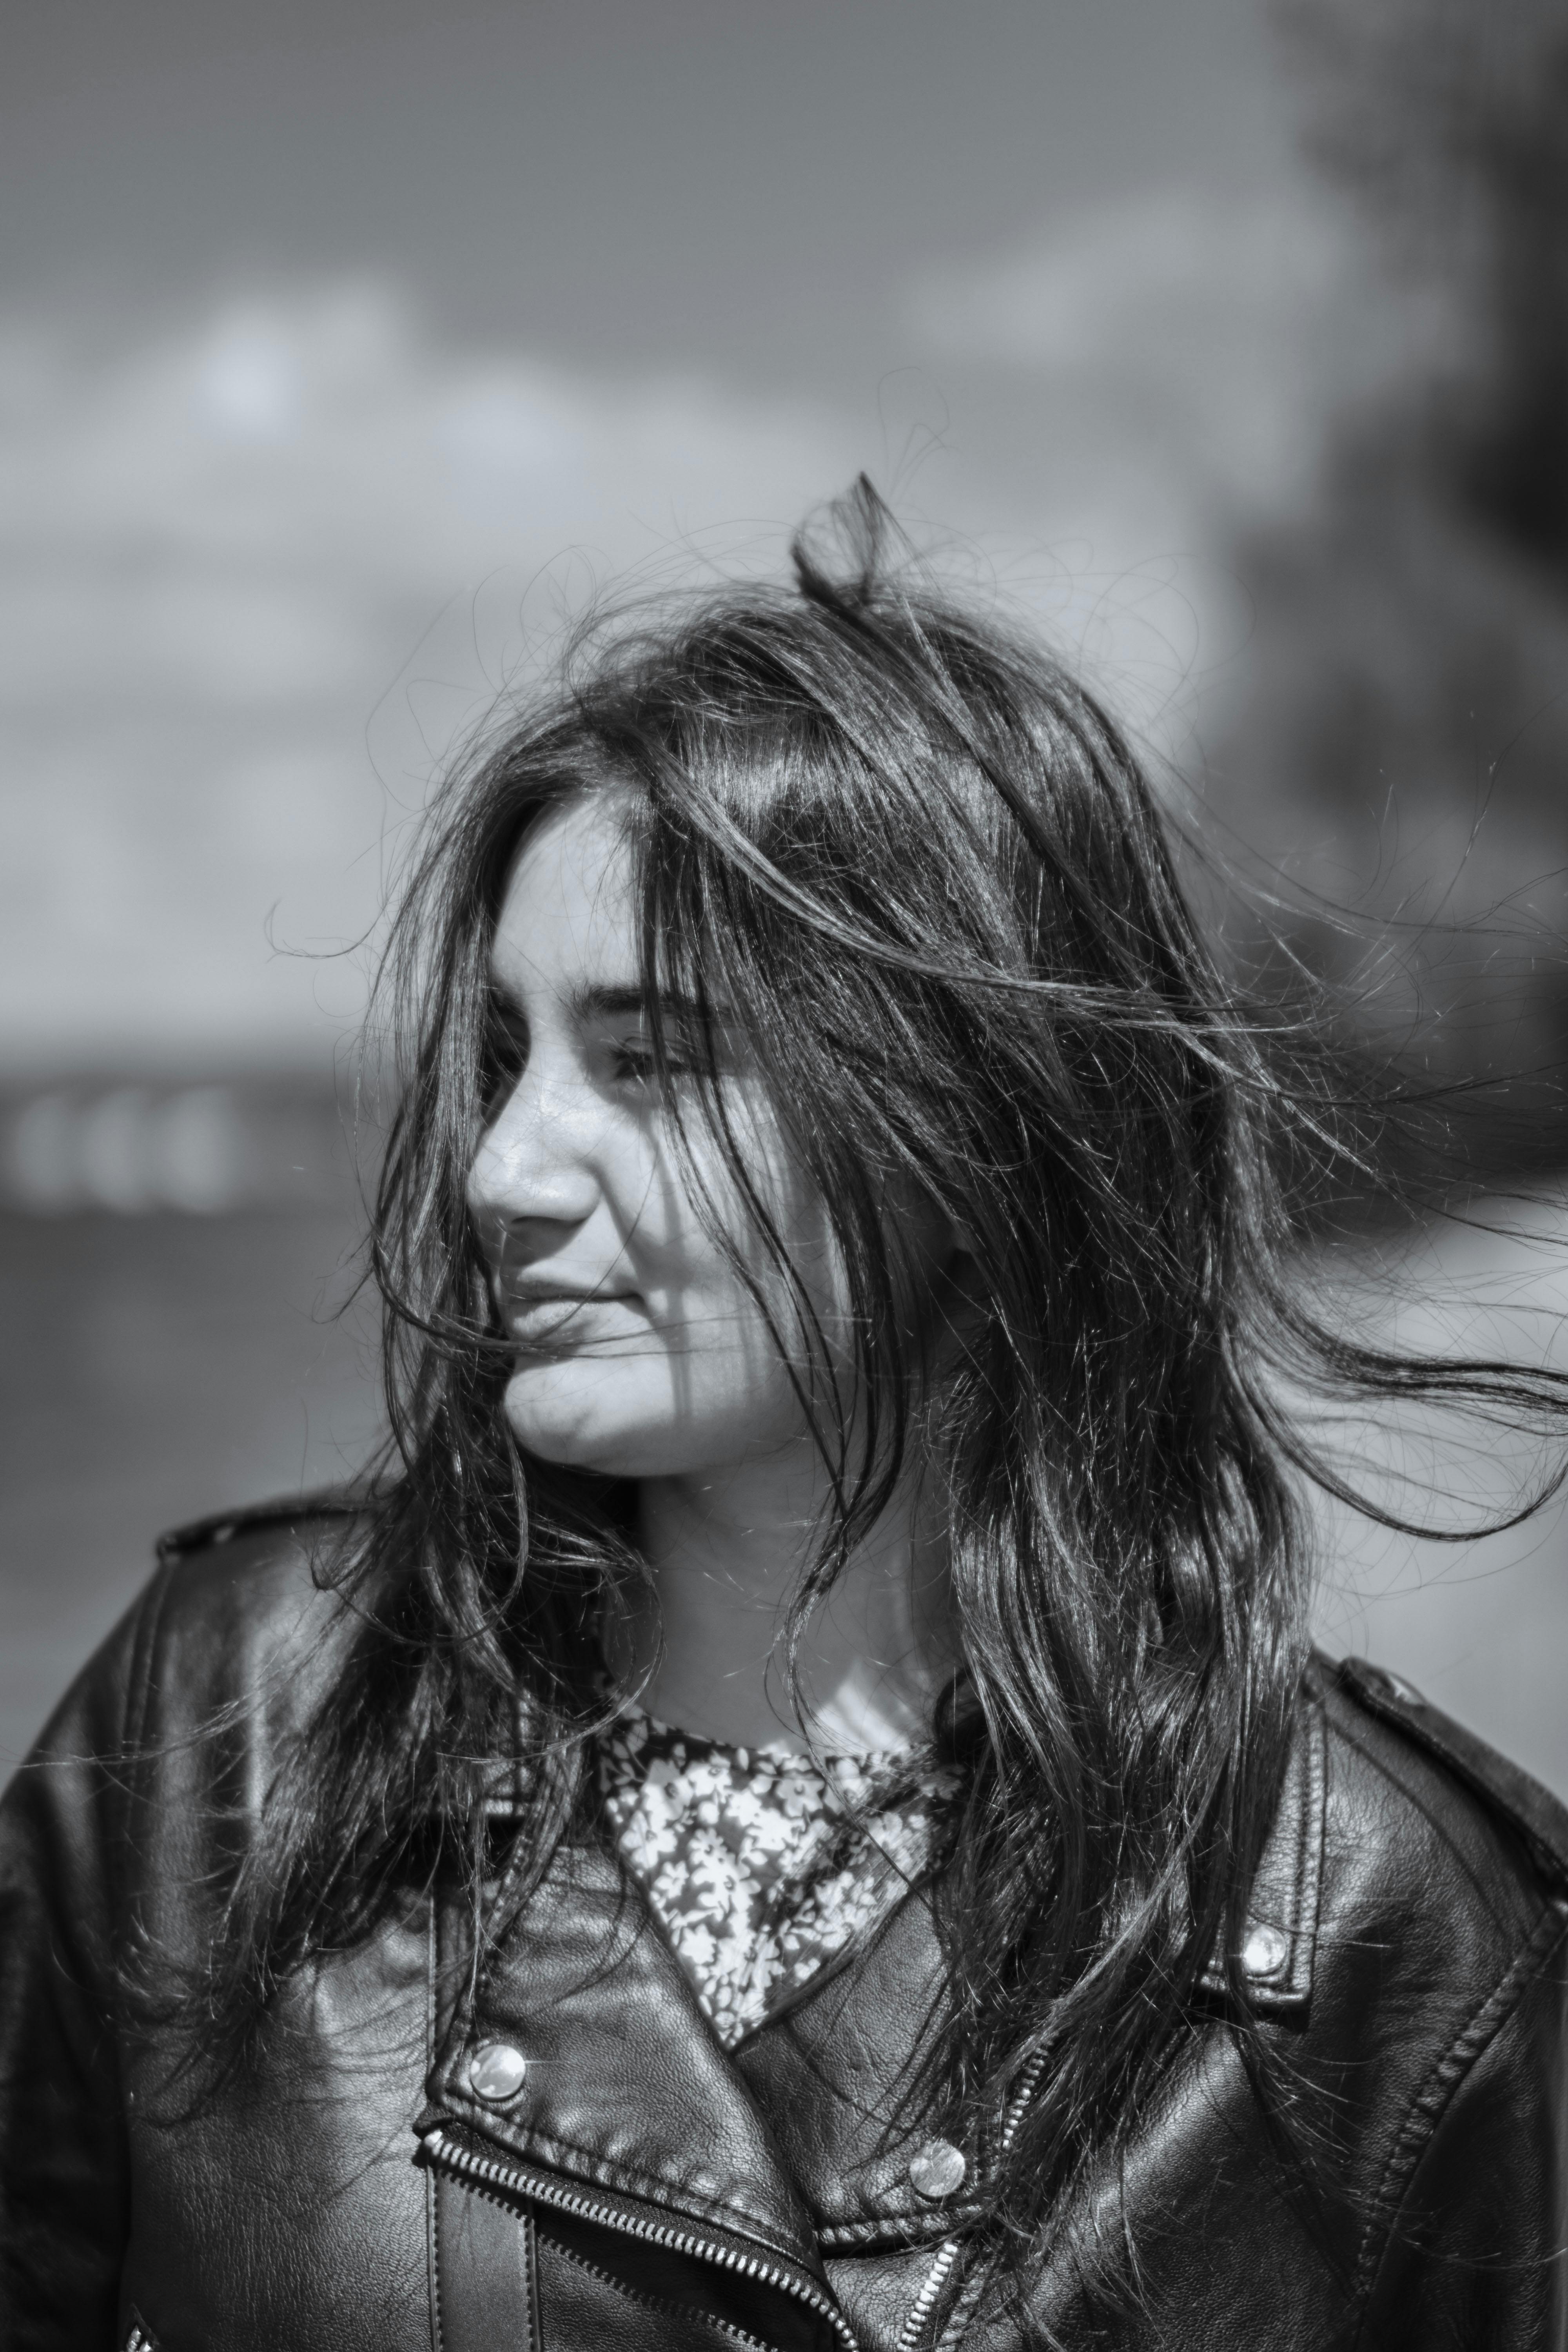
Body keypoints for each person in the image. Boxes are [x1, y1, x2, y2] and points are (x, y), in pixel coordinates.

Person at [3, 483, 1566, 2352]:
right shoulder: (230, 1728)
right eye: (510, 1055)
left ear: (985, 1129)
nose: (503, 1167)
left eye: (654, 1062)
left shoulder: (1385, 1932)